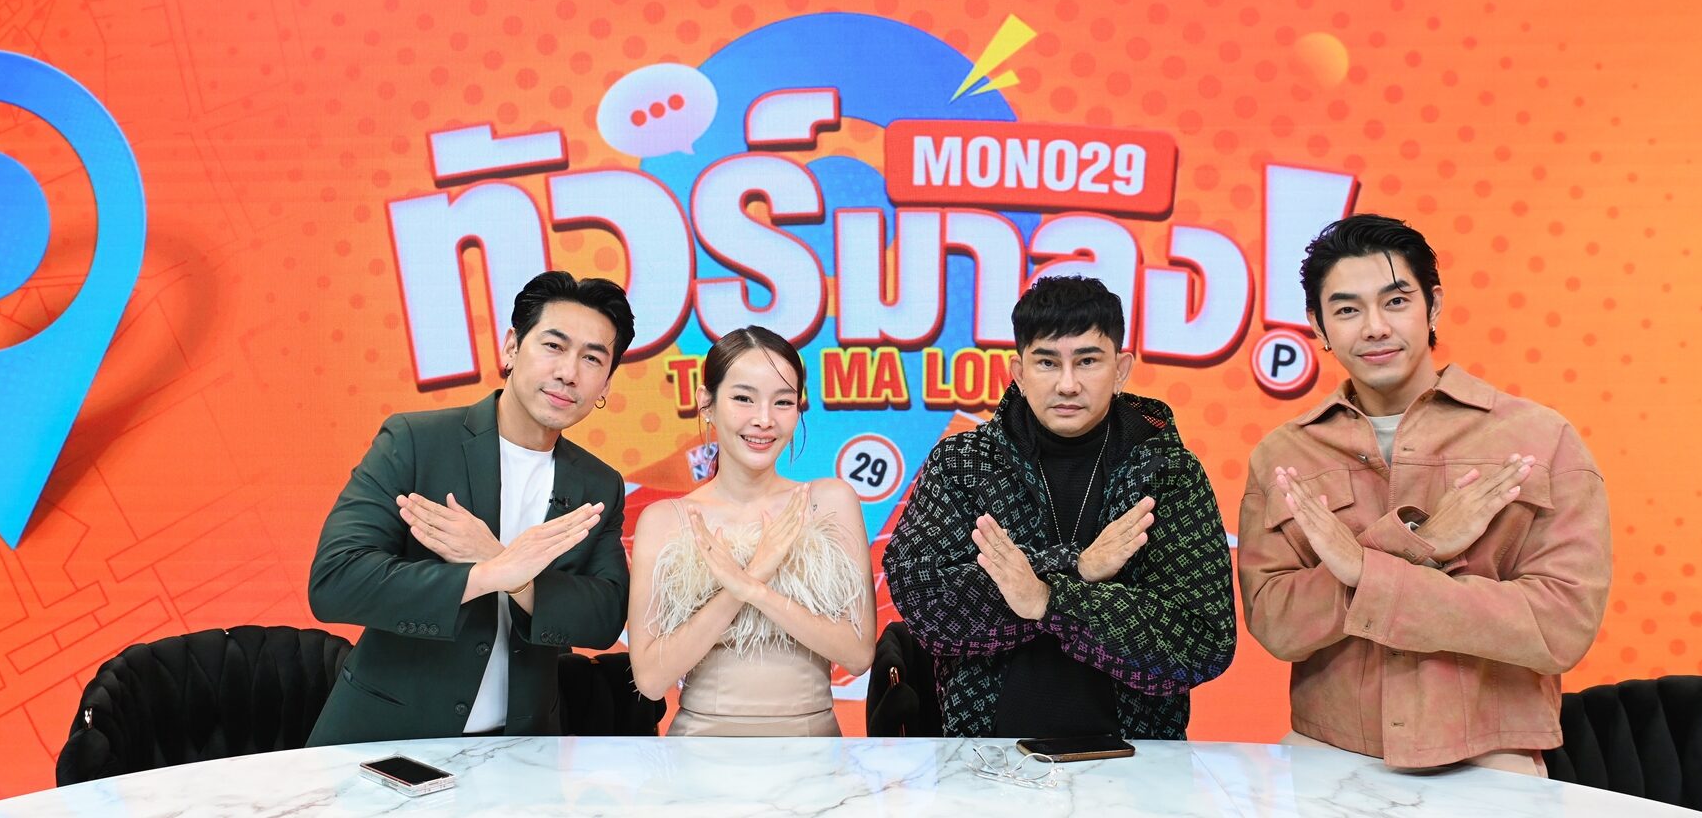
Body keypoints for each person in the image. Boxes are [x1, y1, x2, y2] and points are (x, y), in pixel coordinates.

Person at [1238, 214, 1611, 775]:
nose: (1374, 328)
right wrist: (1418, 542)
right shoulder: (1282, 455)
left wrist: (1363, 568)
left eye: (1395, 302)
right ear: (1318, 326)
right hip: (1328, 754)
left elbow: (1560, 626)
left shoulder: (1539, 438)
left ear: (1433, 306)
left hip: (1490, 758)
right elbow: (1276, 625)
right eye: (1347, 310)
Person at [883, 276, 1236, 739]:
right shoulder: (962, 463)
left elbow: (1201, 644)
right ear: (1018, 371)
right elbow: (926, 606)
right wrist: (1076, 566)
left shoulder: (1169, 472)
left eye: (1087, 361)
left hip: (1138, 760)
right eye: (1047, 362)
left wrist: (1049, 600)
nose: (1067, 384)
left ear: (1121, 369)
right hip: (986, 756)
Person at [306, 271, 635, 744]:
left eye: (592, 358)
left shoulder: (598, 484)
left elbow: (604, 619)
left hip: (522, 747)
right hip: (388, 738)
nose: (569, 373)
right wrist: (485, 575)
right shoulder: (415, 442)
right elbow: (336, 581)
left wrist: (514, 574)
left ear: (606, 384)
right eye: (553, 346)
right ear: (511, 348)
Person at [627, 326, 873, 735]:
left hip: (812, 747)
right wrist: (748, 580)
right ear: (706, 403)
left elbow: (859, 654)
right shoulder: (667, 519)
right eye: (743, 398)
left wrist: (755, 590)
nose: (764, 420)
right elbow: (651, 679)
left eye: (783, 402)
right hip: (701, 746)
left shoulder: (829, 503)